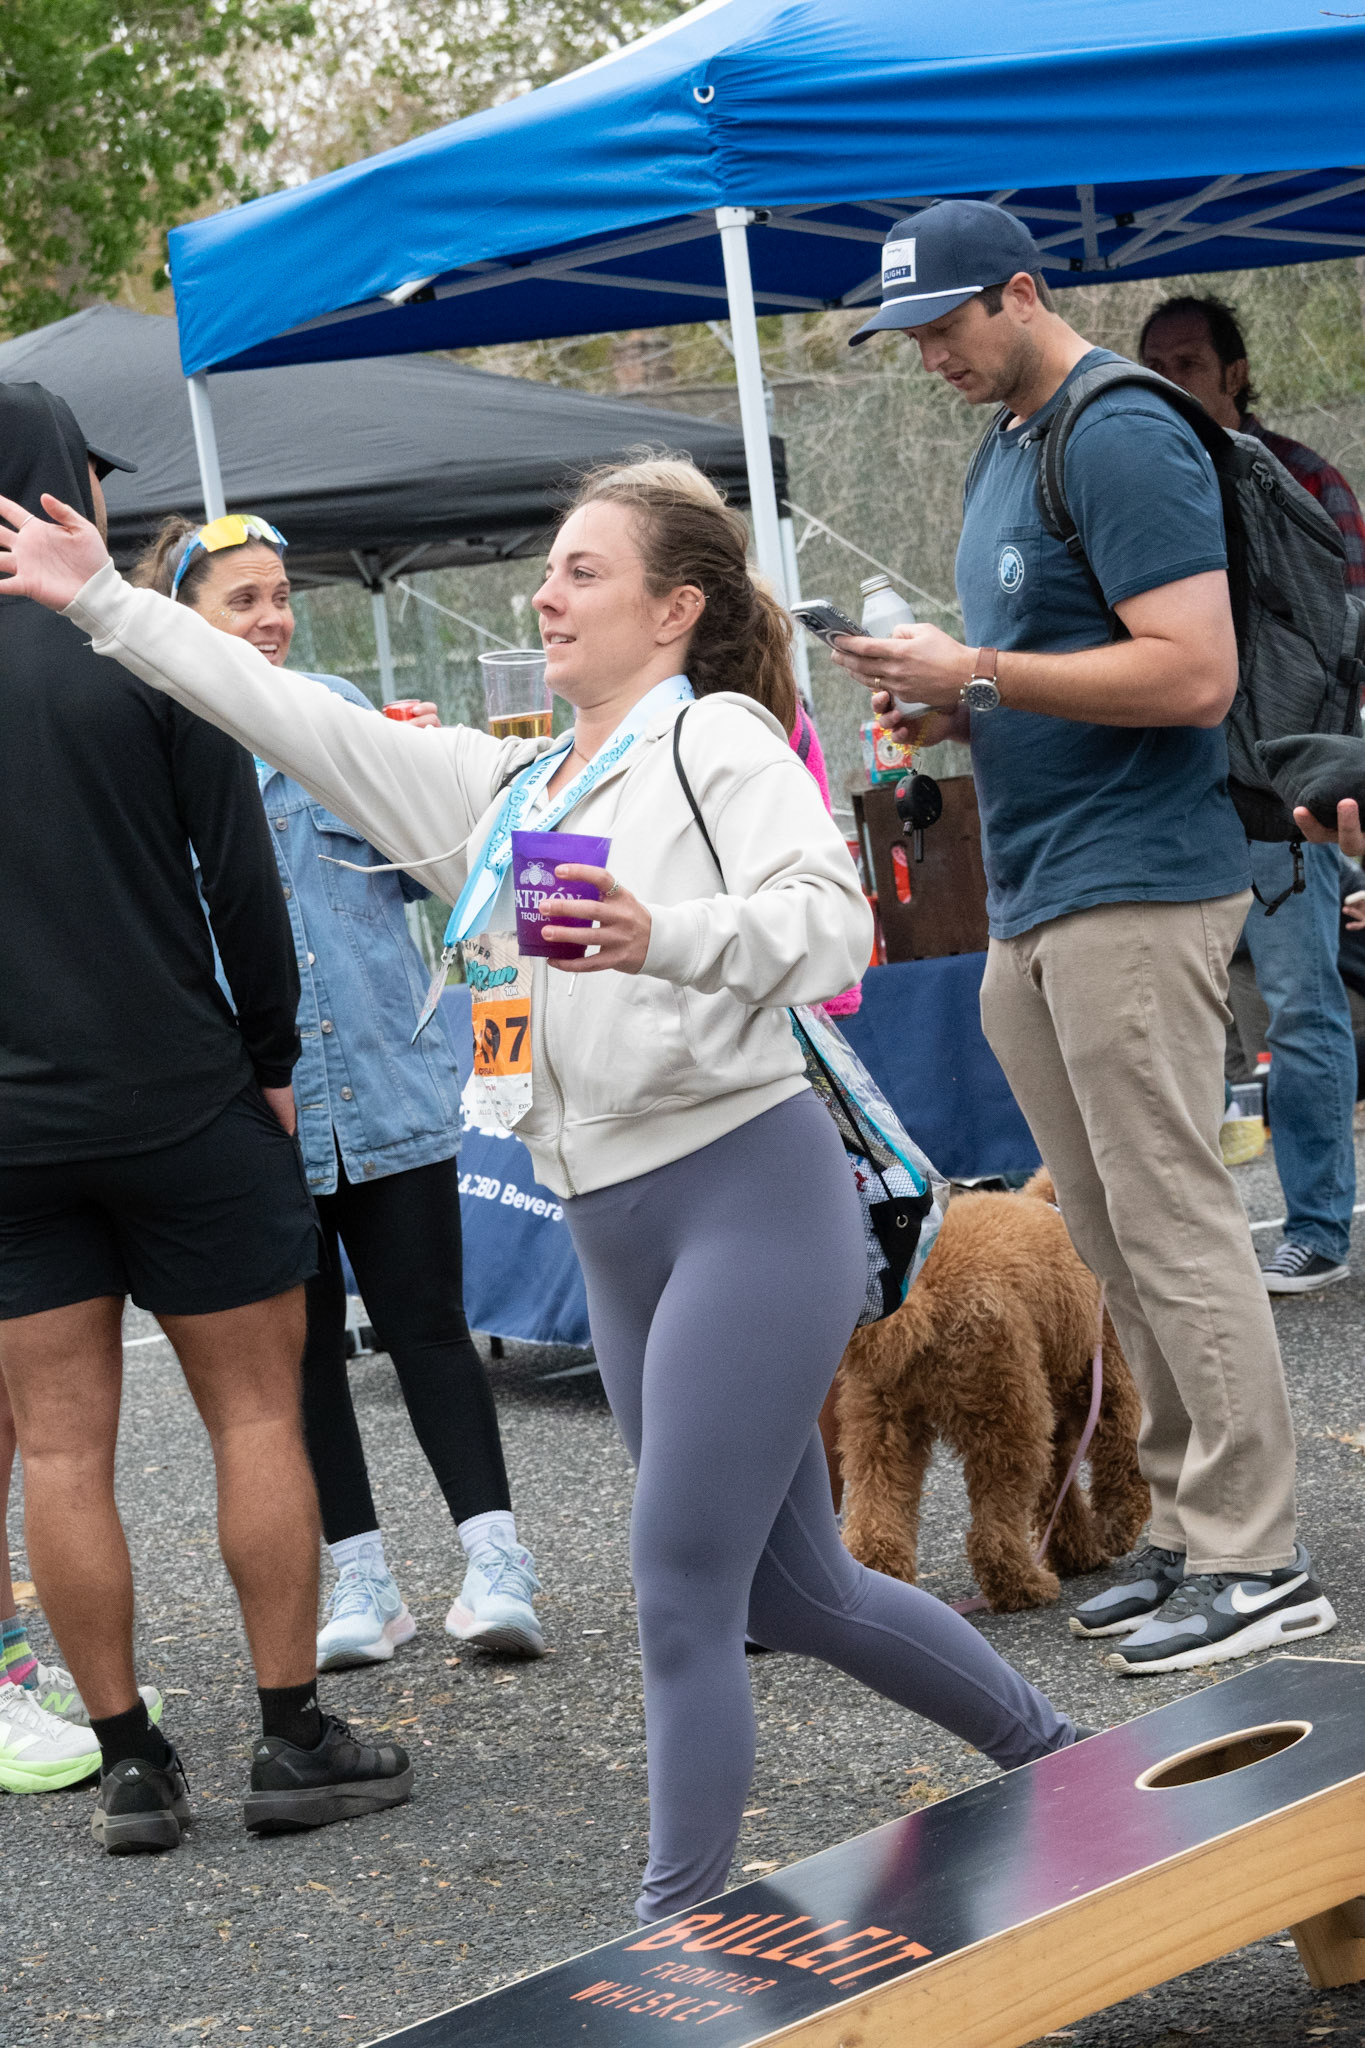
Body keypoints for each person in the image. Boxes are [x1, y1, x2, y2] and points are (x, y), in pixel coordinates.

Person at [0, 452, 1087, 1925]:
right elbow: (288, 713)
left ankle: (673, 1927)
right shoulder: (513, 785)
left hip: (749, 1199)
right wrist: (109, 605)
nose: (545, 594)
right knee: (791, 1588)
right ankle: (1052, 1753)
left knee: (680, 1586)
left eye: (583, 570)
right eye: (550, 569)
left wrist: (664, 933)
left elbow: (831, 926)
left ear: (673, 608)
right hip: (617, 1226)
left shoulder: (716, 740)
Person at [832, 200, 1335, 1675]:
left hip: (1139, 883)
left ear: (1021, 292)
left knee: (1171, 1221)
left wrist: (979, 669)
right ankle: (1180, 1525)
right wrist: (955, 706)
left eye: (944, 325)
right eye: (909, 335)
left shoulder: (1115, 430)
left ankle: (1256, 1558)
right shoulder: (1009, 441)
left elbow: (1193, 673)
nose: (929, 355)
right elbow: (1057, 664)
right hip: (1041, 889)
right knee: (1107, 1235)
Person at [0, 385, 410, 1851]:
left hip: (12, 1131)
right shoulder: (141, 644)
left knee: (61, 1451)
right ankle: (291, 1735)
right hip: (181, 1090)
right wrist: (274, 1056)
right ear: (68, 488)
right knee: (254, 1409)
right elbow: (243, 881)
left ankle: (126, 1761)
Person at [131, 513, 543, 1666]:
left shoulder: (341, 713)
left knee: (429, 1324)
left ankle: (497, 1559)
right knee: (301, 1351)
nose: (271, 619)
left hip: (385, 1077)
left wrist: (428, 779)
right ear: (182, 619)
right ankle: (362, 1578)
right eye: (242, 601)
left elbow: (428, 881)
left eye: (279, 595)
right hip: (256, 1102)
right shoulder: (156, 742)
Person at [1139, 293, 1365, 1295]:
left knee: (1302, 1005)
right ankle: (1202, 1244)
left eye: (1186, 362)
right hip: (1168, 783)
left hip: (1282, 786)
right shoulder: (1139, 480)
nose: (1168, 381)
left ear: (1234, 372)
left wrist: (1326, 772)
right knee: (1178, 1021)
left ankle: (1315, 1226)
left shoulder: (1303, 479)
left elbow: (1347, 642)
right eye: (1152, 366)